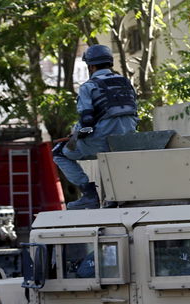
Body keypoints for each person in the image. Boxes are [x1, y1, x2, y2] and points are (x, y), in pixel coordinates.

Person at [53, 44, 138, 210]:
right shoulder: (126, 83)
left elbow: (87, 121)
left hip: (102, 141)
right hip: (127, 140)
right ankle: (113, 198)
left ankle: (89, 196)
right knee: (107, 157)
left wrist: (76, 134)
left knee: (58, 152)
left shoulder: (88, 86)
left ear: (91, 66)